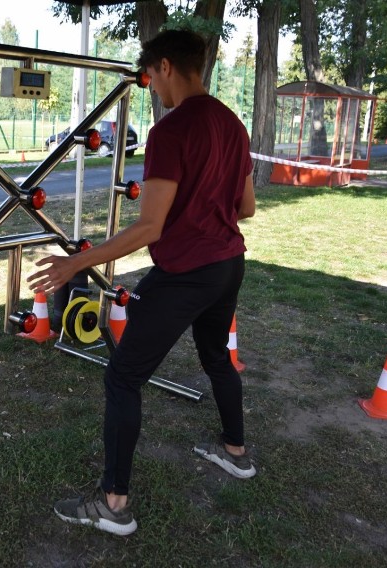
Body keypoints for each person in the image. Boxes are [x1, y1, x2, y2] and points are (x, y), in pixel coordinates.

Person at [26, 29, 257, 536]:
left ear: (166, 67)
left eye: (149, 74)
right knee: (216, 356)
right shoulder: (233, 125)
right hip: (227, 265)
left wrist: (76, 263)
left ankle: (114, 505)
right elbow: (246, 208)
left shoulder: (171, 132)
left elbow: (149, 226)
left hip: (189, 273)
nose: (150, 84)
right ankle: (236, 452)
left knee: (122, 378)